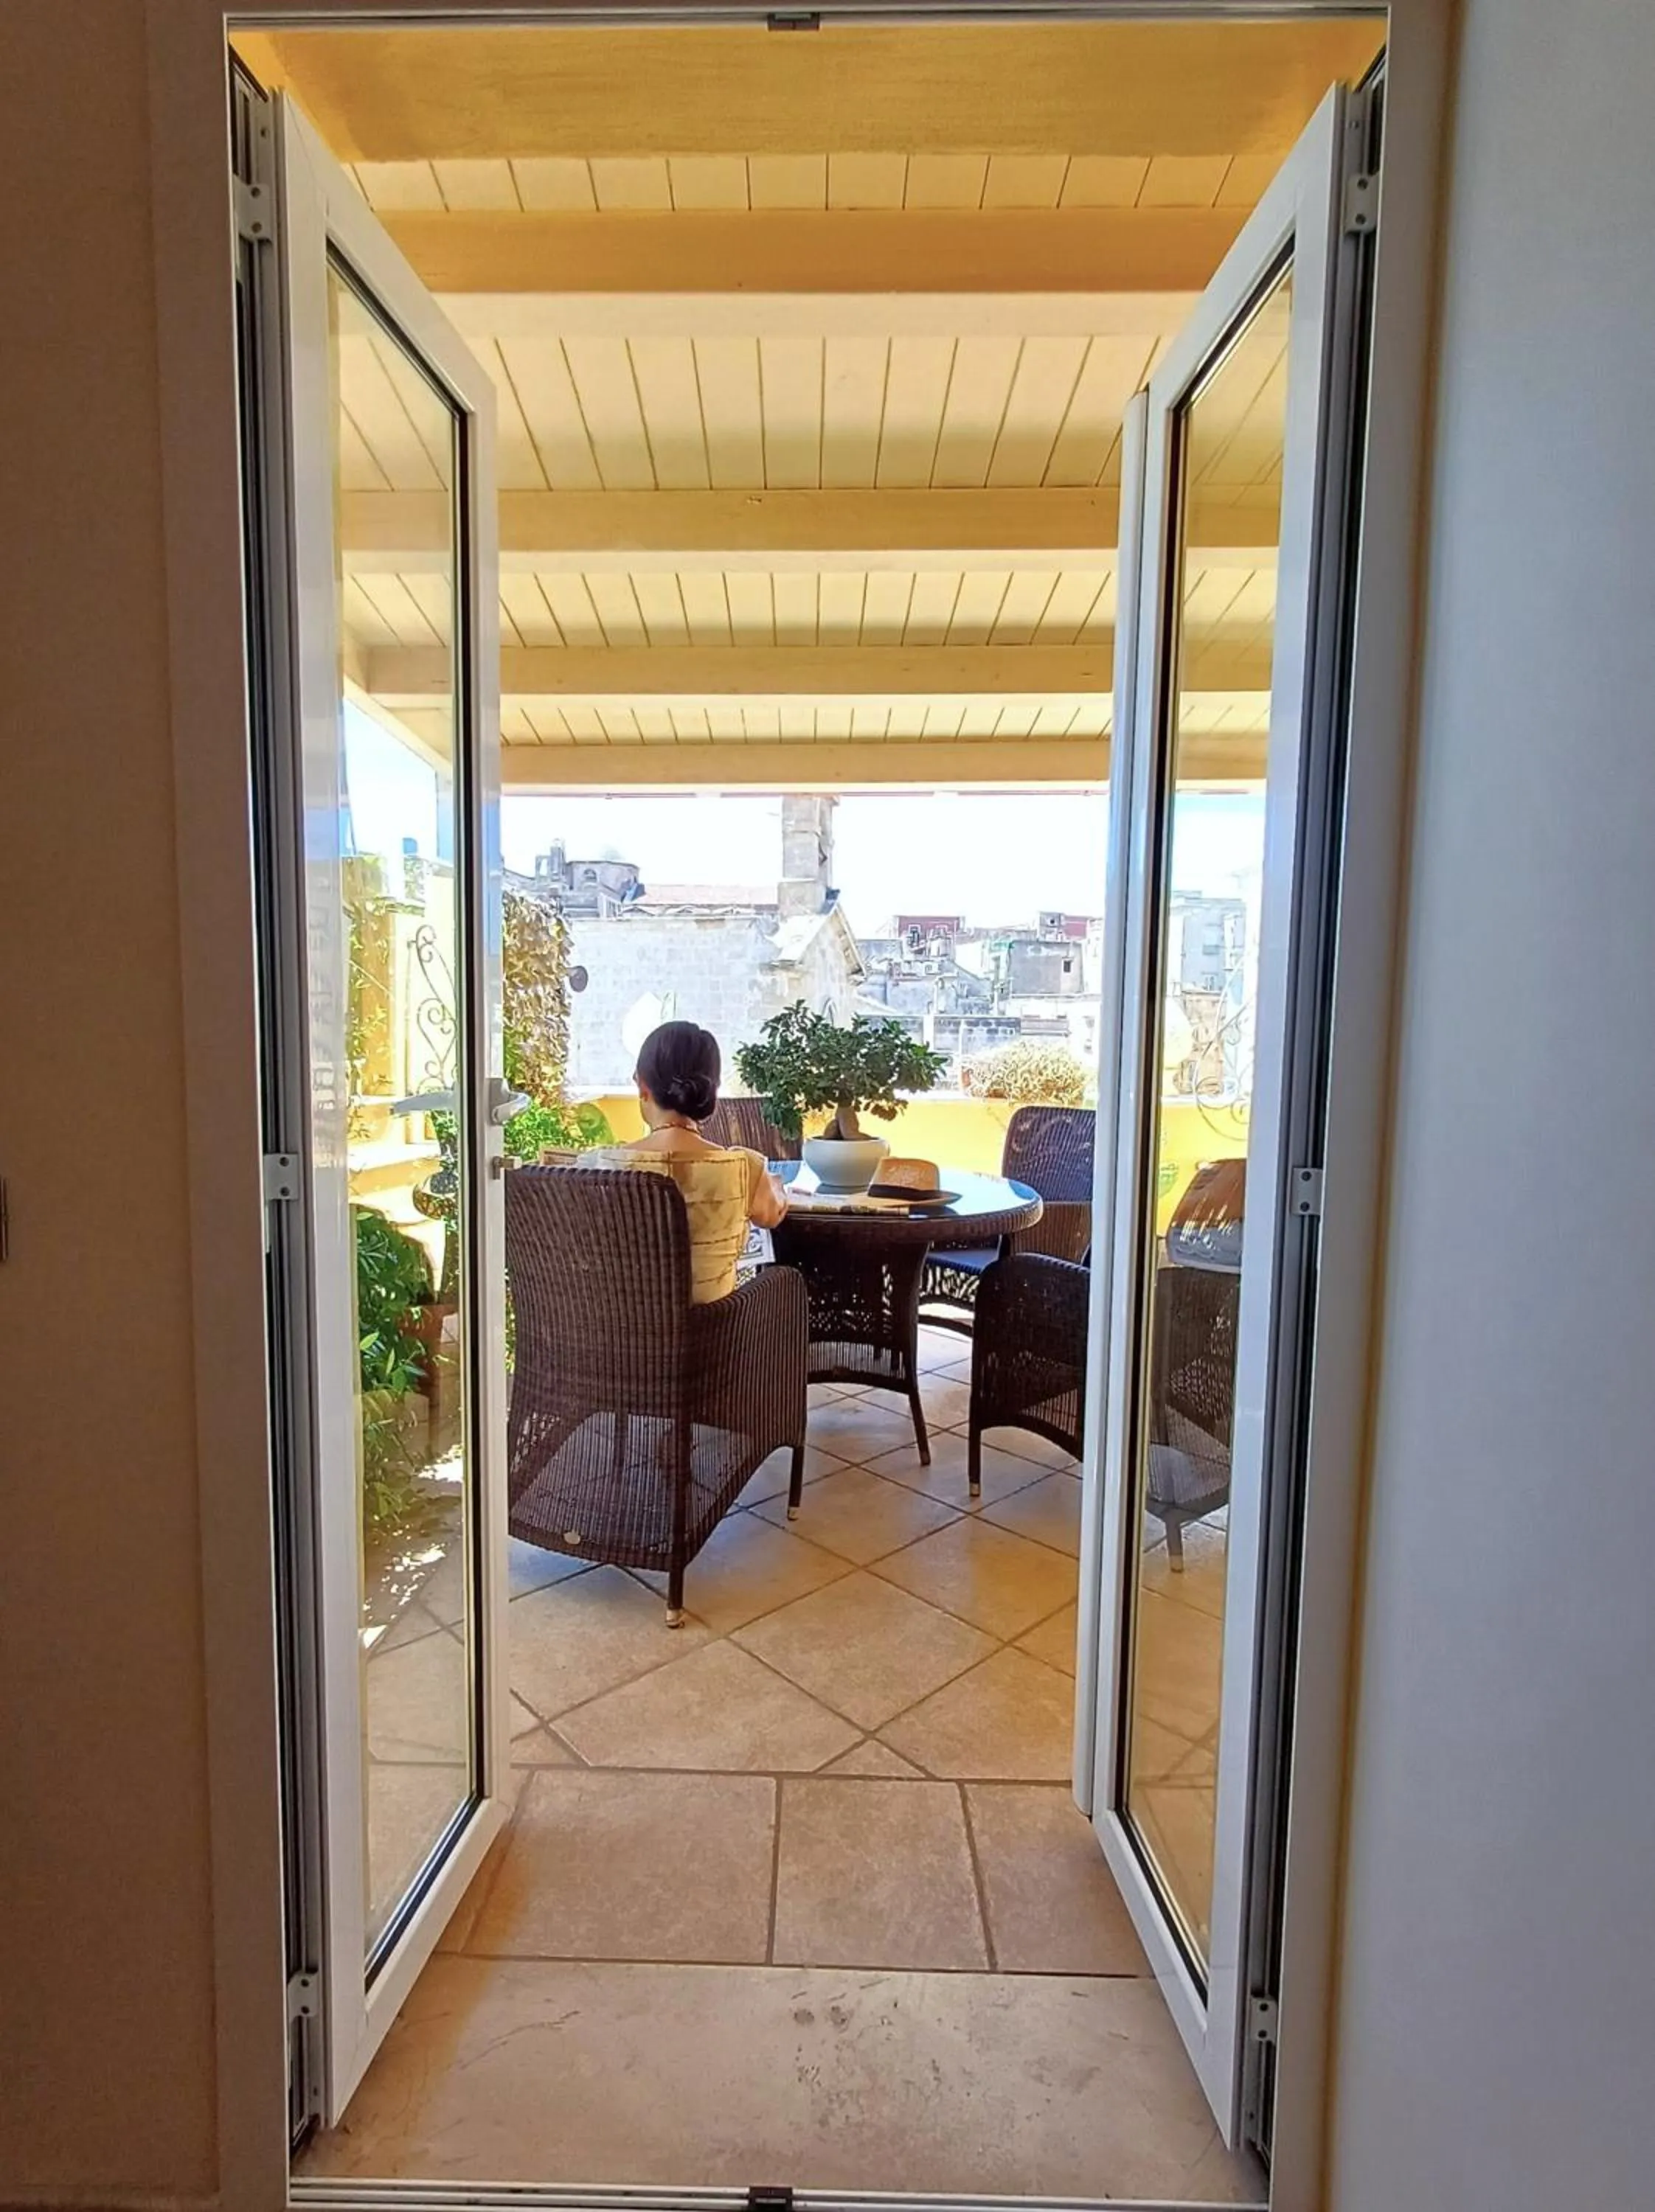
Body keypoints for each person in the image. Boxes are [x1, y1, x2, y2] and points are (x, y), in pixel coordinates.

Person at [576, 1020, 788, 1304]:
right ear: (711, 1090)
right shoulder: (744, 1168)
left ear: (642, 1086)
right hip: (716, 1340)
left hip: (615, 1336)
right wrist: (775, 1185)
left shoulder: (596, 1168)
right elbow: (772, 1214)